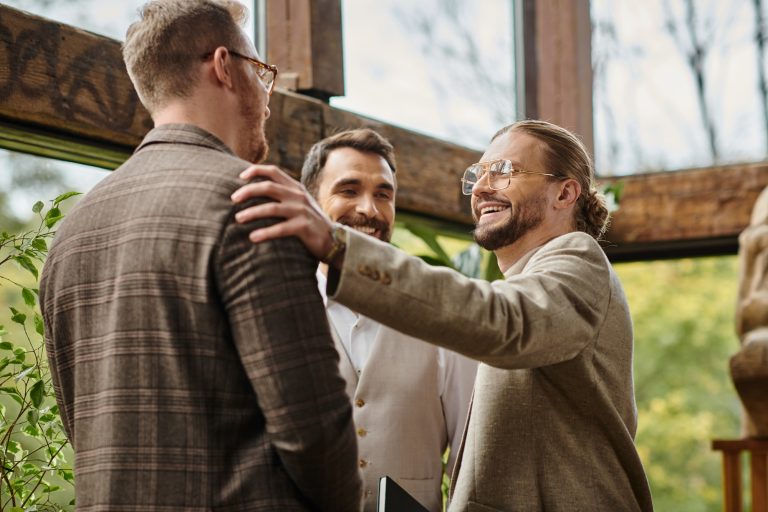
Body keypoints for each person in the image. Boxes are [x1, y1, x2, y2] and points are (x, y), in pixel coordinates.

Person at [231, 119, 654, 511]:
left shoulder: (577, 258)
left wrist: (337, 245)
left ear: (564, 192)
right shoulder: (520, 287)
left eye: (504, 170)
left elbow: (507, 323)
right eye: (478, 175)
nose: (482, 187)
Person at [39, 1, 361, 510]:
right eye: (262, 73)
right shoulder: (257, 201)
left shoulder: (70, 234)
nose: (268, 96)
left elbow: (85, 427)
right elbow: (316, 433)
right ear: (223, 67)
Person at [298, 128, 477, 511]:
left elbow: (471, 461)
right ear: (311, 203)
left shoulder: (438, 311)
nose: (370, 210)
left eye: (383, 194)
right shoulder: (281, 308)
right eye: (349, 190)